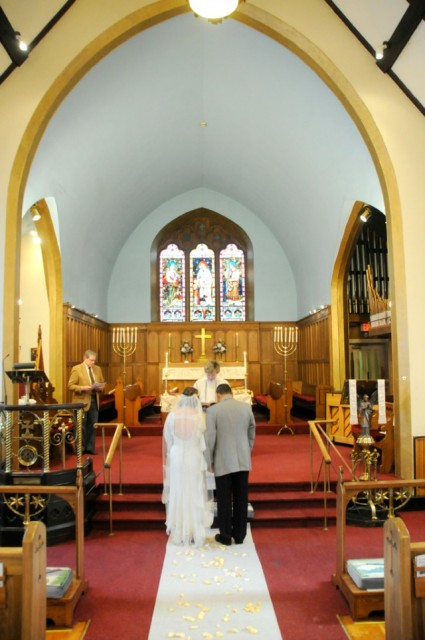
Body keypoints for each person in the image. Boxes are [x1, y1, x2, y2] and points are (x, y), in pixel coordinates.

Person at [162, 387, 214, 546]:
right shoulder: (199, 417)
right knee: (194, 490)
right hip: (193, 456)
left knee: (179, 490)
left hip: (177, 456)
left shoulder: (171, 416)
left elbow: (168, 440)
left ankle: (179, 530)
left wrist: (176, 448)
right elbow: (202, 443)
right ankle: (194, 530)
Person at [205, 383, 256, 546]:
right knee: (241, 497)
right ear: (231, 393)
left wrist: (209, 460)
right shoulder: (246, 408)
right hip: (242, 459)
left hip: (222, 460)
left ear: (219, 395)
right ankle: (240, 535)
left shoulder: (213, 411)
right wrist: (246, 449)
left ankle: (226, 535)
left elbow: (210, 438)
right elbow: (251, 432)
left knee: (224, 498)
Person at [68, 349, 105, 454]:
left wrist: (100, 387)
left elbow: (102, 383)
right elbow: (70, 385)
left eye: (94, 361)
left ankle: (90, 448)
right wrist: (83, 388)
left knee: (93, 425)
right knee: (81, 426)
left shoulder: (97, 369)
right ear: (85, 358)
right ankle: (80, 449)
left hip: (94, 400)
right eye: (91, 360)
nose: (93, 363)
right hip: (81, 401)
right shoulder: (77, 369)